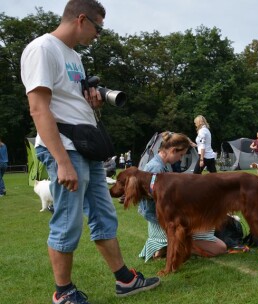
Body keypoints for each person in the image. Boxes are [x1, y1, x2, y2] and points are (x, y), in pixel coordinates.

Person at [20, 1, 160, 302]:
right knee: (67, 221)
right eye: (98, 28)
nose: (99, 35)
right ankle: (63, 293)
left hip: (86, 147)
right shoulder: (43, 48)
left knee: (104, 216)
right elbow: (38, 107)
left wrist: (92, 103)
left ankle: (125, 280)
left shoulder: (74, 56)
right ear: (81, 19)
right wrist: (61, 161)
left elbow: (68, 103)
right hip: (65, 149)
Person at [138, 131, 227, 261]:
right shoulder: (156, 169)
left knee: (206, 224)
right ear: (173, 150)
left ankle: (169, 247)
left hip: (164, 219)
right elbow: (157, 205)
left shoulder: (160, 166)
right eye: (181, 155)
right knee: (219, 247)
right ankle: (172, 247)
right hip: (161, 222)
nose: (180, 159)